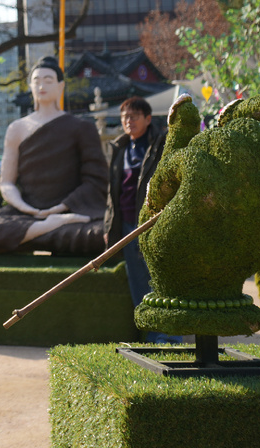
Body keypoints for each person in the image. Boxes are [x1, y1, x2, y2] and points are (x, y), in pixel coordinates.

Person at [0, 56, 108, 256]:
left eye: (48, 80)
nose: (41, 85)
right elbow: (6, 183)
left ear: (60, 86)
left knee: (102, 235)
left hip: (70, 212)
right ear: (30, 86)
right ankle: (47, 229)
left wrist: (59, 208)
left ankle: (28, 236)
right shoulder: (16, 129)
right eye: (36, 81)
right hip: (25, 213)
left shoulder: (82, 128)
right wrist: (29, 210)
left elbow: (96, 182)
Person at [105, 95, 174, 343]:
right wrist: (108, 225)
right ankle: (153, 335)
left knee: (162, 281)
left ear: (147, 118)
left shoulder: (161, 144)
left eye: (134, 116)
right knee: (138, 284)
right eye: (124, 117)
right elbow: (112, 192)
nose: (128, 121)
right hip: (126, 225)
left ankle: (170, 336)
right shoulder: (119, 148)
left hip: (153, 223)